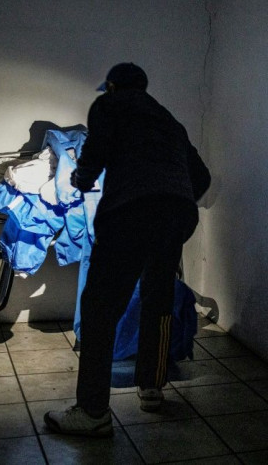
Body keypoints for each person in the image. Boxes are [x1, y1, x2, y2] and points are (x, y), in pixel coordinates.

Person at [44, 63, 211, 437]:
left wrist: (81, 178)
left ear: (113, 86)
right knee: (158, 298)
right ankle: (152, 387)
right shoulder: (169, 121)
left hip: (131, 213)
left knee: (100, 308)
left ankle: (92, 411)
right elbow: (202, 177)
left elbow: (95, 152)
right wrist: (174, 197)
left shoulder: (109, 106)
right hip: (177, 214)